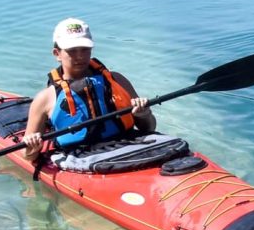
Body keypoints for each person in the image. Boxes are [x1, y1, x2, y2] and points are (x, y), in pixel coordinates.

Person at [22, 18, 156, 162]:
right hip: (80, 159)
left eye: (85, 49)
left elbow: (149, 128)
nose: (80, 56)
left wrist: (145, 114)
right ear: (57, 54)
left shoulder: (117, 80)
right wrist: (32, 148)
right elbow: (28, 157)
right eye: (72, 51)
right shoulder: (45, 98)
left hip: (127, 147)